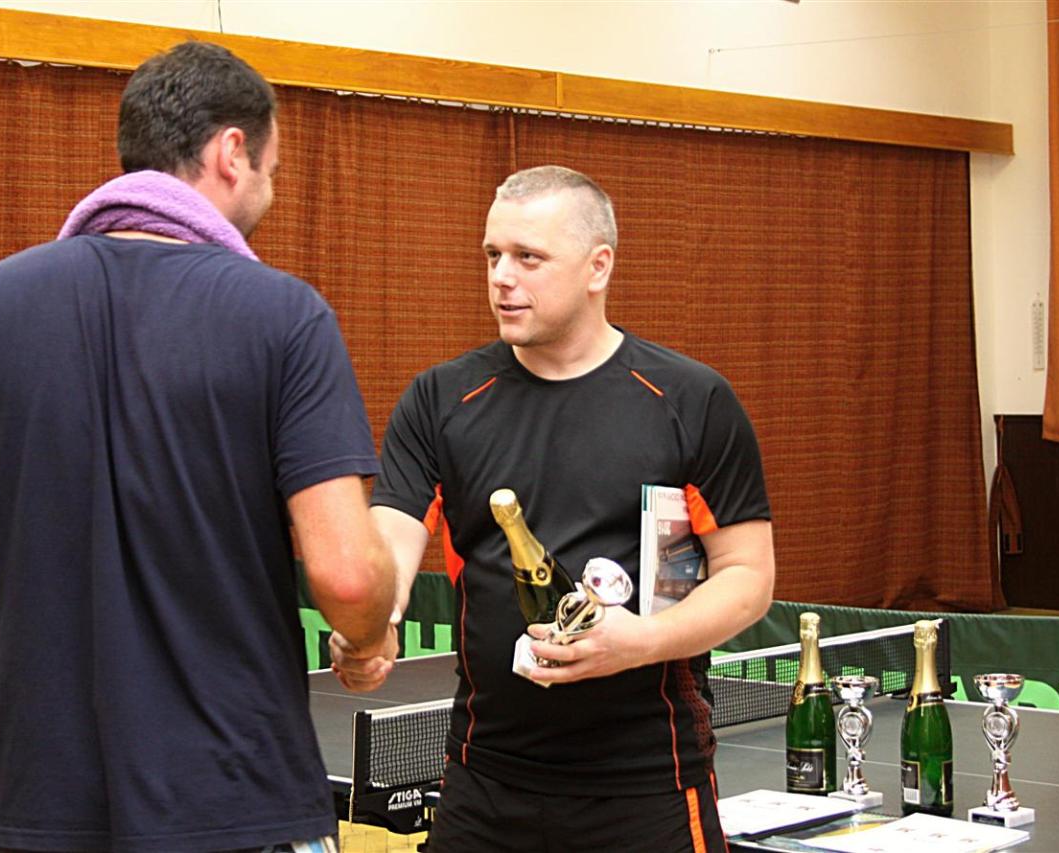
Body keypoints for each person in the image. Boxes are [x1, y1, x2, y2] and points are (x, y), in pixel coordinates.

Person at [0, 41, 397, 853]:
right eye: (271, 170)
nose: (269, 190)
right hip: (239, 797)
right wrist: (367, 637)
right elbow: (349, 574)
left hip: (39, 804)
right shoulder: (286, 316)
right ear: (231, 152)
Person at [331, 165, 776, 851]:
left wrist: (641, 641)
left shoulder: (691, 401)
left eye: (528, 257)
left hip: (647, 787)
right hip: (483, 786)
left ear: (599, 266)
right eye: (493, 255)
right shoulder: (441, 399)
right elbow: (391, 538)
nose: (502, 277)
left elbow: (748, 575)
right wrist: (373, 624)